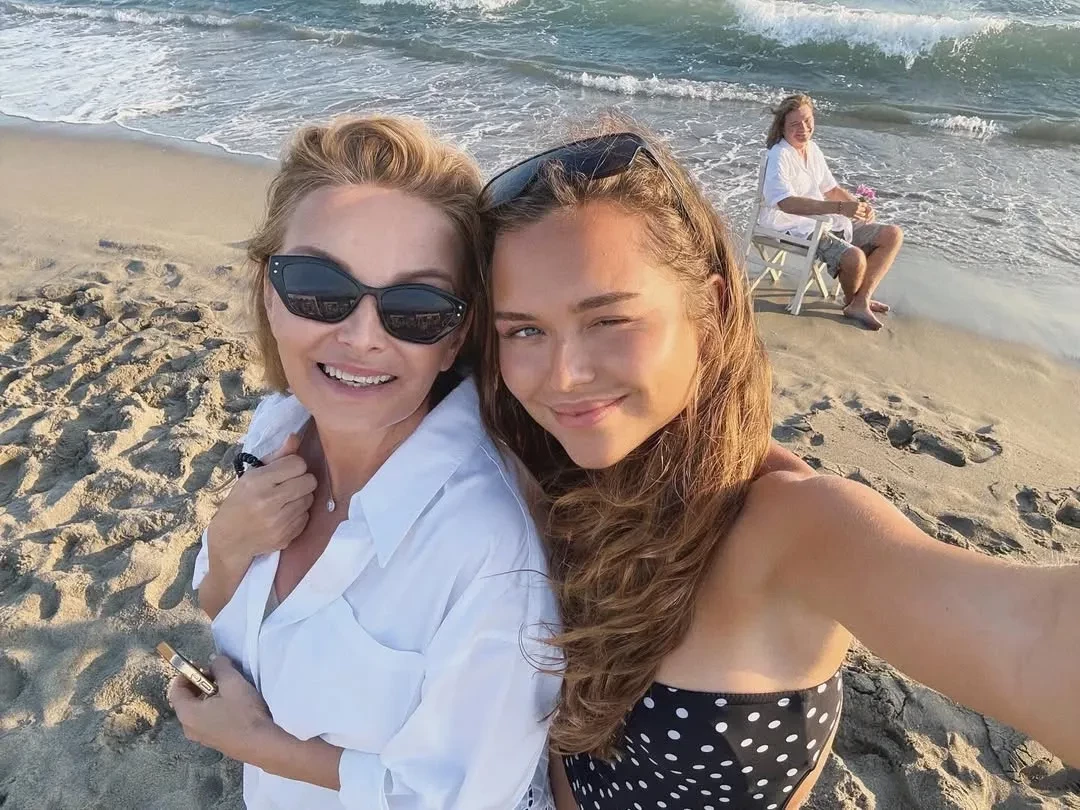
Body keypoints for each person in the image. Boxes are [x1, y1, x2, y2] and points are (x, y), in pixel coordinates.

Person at [475, 121, 1079, 810]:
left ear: (713, 307)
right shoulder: (547, 466)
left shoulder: (794, 527)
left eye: (608, 320)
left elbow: (1035, 642)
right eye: (524, 329)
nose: (563, 376)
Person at [169, 115, 560, 809]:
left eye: (416, 307)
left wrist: (257, 742)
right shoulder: (279, 429)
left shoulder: (488, 549)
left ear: (457, 336)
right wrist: (227, 548)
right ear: (268, 292)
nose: (360, 336)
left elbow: (465, 795)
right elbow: (220, 608)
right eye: (319, 287)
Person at [760, 94, 904, 330]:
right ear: (782, 127)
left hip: (825, 219)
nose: (803, 128)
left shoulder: (812, 149)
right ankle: (853, 302)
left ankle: (861, 300)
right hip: (791, 225)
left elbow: (832, 189)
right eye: (795, 124)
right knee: (855, 258)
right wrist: (839, 208)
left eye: (807, 121)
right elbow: (786, 203)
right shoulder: (779, 155)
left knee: (892, 235)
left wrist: (857, 206)